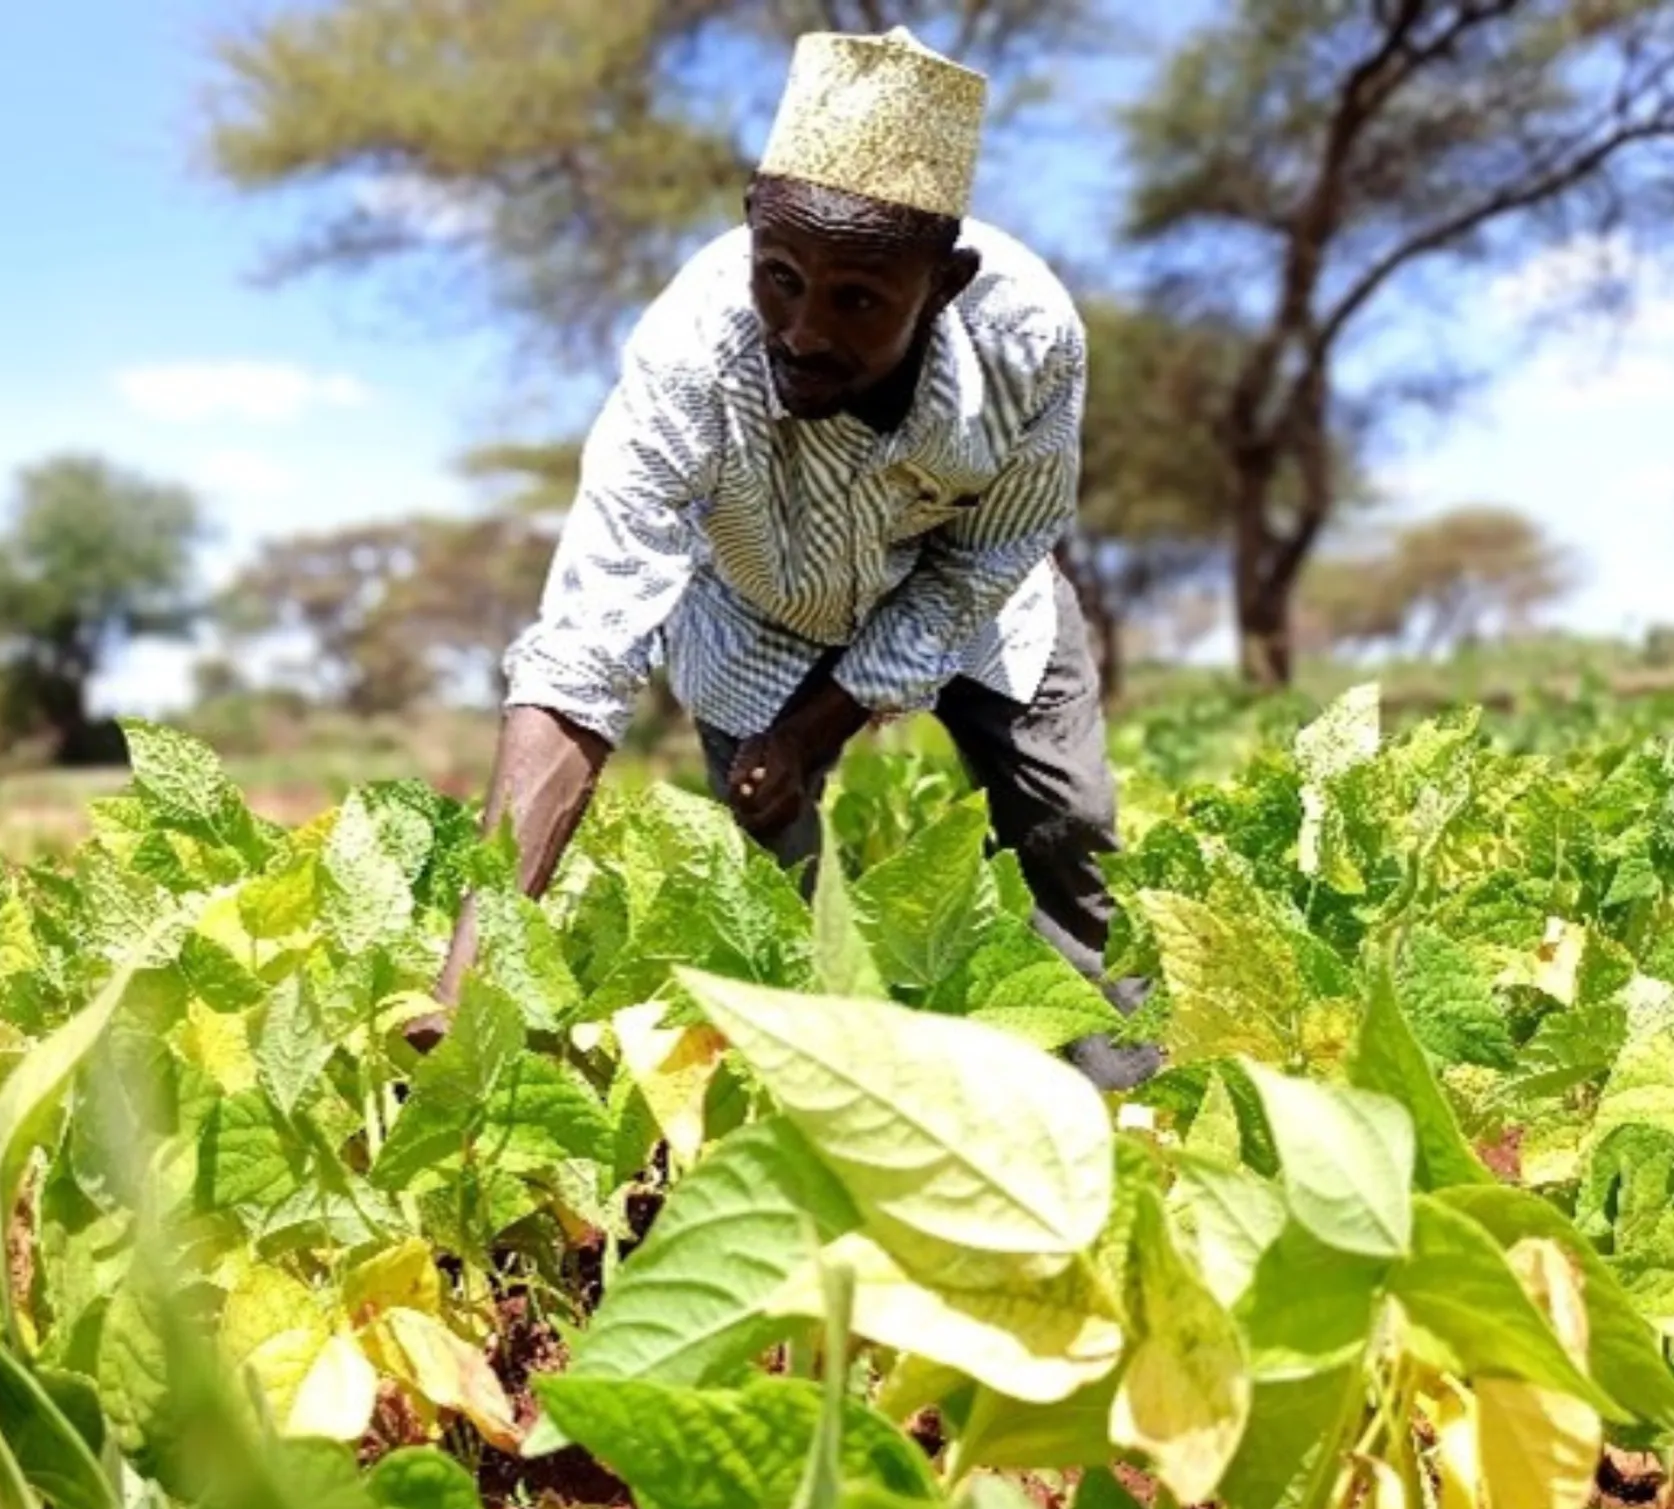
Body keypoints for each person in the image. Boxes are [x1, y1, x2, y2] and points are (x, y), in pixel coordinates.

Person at [409, 25, 1158, 1091]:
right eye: (781, 277)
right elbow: (584, 652)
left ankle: (1124, 1104)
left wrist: (820, 726)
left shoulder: (1028, 340)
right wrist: (469, 970)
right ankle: (854, 1104)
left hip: (970, 596)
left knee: (1069, 824)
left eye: (858, 299)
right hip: (756, 614)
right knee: (782, 893)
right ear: (751, 230)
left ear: (942, 283)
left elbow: (990, 553)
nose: (804, 330)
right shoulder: (689, 358)